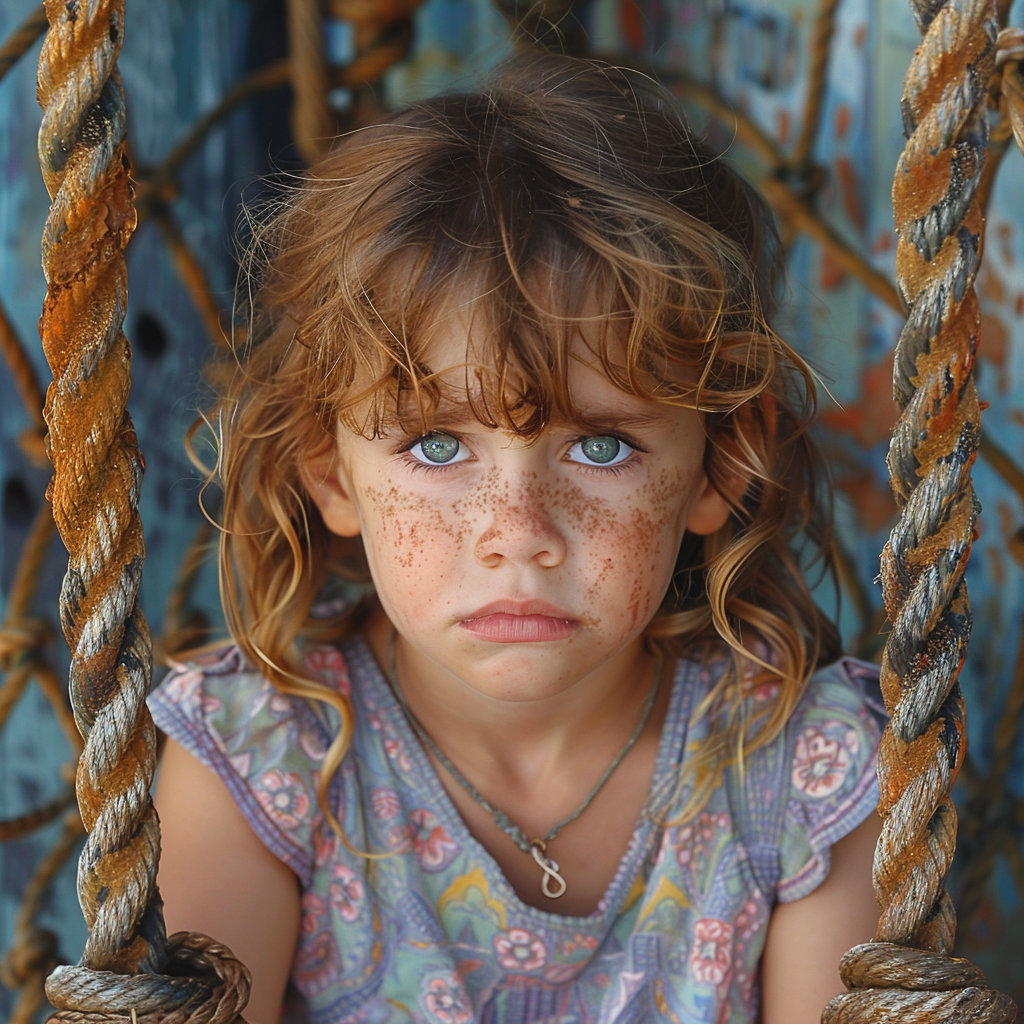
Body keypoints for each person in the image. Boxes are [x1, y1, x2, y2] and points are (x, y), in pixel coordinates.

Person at [150, 53, 886, 1024]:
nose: (519, 536)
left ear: (717, 467)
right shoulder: (261, 756)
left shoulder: (804, 765)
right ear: (331, 473)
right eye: (438, 443)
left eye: (601, 444)